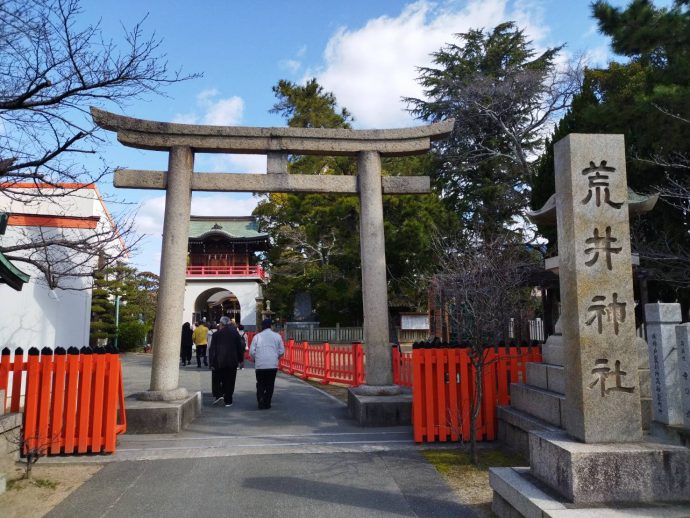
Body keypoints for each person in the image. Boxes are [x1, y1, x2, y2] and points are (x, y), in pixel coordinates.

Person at [208, 316, 244, 407]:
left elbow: (212, 350)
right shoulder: (235, 334)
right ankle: (228, 400)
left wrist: (211, 362)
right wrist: (241, 360)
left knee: (217, 379)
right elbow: (240, 348)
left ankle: (219, 395)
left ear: (221, 324)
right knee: (230, 380)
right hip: (232, 361)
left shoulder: (216, 334)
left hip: (218, 361)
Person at [249, 318, 285, 410]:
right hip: (272, 364)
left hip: (260, 364)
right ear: (271, 326)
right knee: (270, 384)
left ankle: (260, 399)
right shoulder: (277, 336)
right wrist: (276, 356)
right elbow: (282, 351)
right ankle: (267, 402)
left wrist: (255, 359)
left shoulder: (257, 336)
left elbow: (252, 352)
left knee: (260, 383)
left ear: (262, 326)